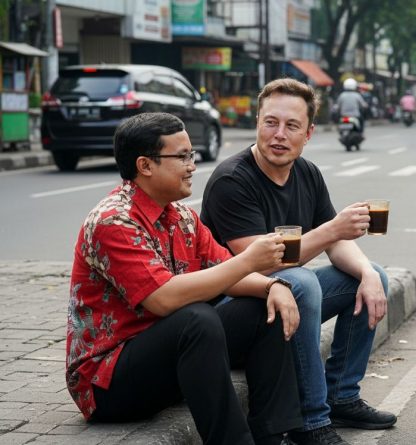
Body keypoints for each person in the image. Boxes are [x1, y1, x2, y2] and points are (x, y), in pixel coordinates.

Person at [66, 112, 303, 445]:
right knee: (196, 318)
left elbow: (223, 269)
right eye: (182, 156)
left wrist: (272, 285)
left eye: (191, 154)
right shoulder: (112, 221)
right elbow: (164, 299)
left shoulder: (181, 215)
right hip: (108, 383)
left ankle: (274, 435)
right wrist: (249, 260)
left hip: (165, 360)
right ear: (145, 165)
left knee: (263, 310)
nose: (193, 165)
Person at [200, 78, 396, 445]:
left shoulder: (306, 172)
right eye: (270, 122)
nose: (278, 135)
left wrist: (367, 272)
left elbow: (337, 244)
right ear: (257, 122)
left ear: (308, 134)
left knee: (371, 277)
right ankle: (310, 421)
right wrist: (331, 230)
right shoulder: (232, 180)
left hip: (281, 305)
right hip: (232, 315)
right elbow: (258, 264)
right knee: (300, 281)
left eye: (291, 126)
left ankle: (342, 395)